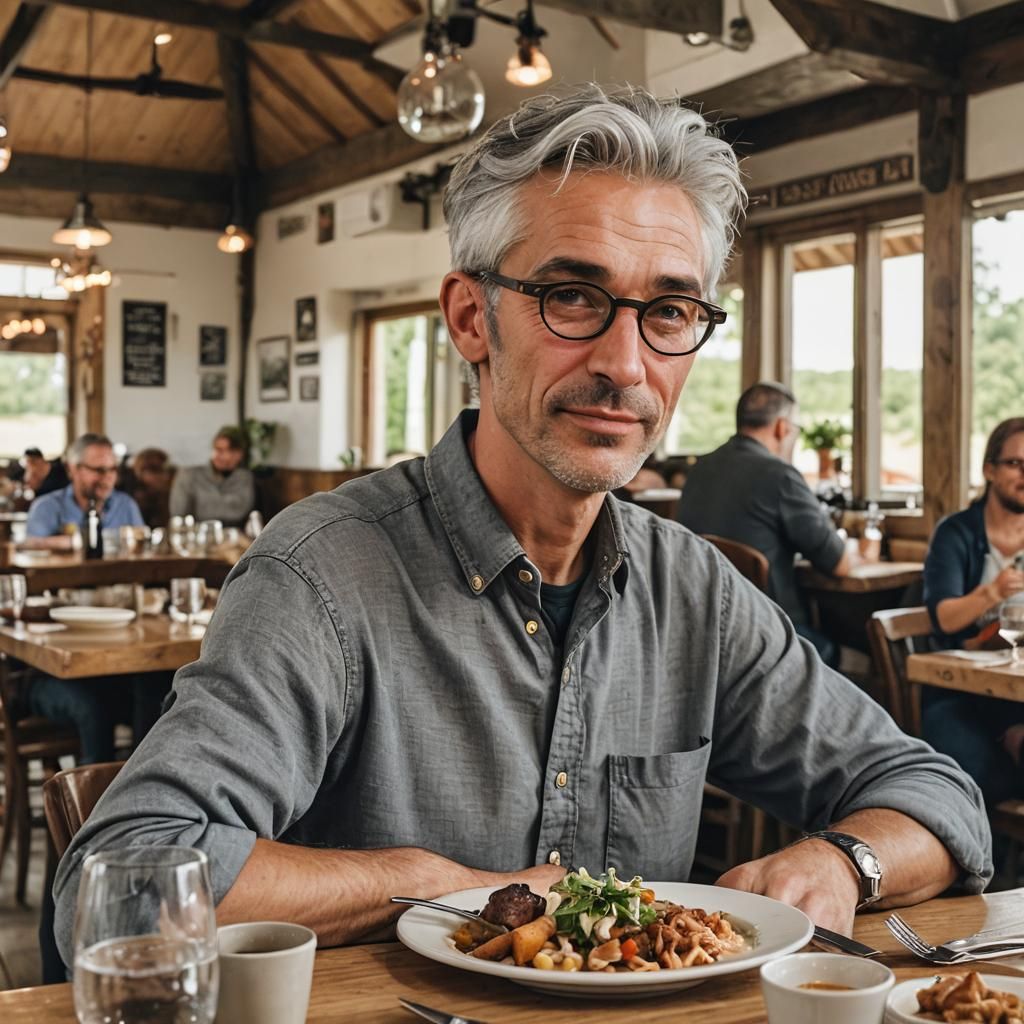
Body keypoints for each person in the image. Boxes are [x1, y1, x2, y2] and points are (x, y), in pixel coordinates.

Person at [54, 85, 990, 968]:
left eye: (668, 309)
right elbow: (119, 884)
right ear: (471, 318)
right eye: (573, 297)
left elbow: (941, 798)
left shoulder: (691, 591)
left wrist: (837, 864)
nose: (626, 364)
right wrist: (432, 887)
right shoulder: (321, 576)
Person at [675, 382, 864, 668]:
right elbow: (839, 565)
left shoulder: (701, 468)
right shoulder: (780, 476)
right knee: (863, 661)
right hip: (773, 637)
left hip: (702, 630)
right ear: (781, 428)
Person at [922, 416, 1024, 807]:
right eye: (1015, 464)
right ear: (989, 470)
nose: (1023, 475)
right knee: (971, 775)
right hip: (958, 691)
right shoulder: (956, 533)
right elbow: (944, 618)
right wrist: (992, 593)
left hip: (1016, 691)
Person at [25, 433, 143, 550]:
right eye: (99, 470)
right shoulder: (46, 507)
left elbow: (143, 552)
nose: (108, 477)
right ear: (72, 469)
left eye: (113, 469)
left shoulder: (126, 505)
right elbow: (32, 549)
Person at [169, 426, 255, 528]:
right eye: (219, 449)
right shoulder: (189, 475)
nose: (225, 456)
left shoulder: (244, 477)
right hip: (196, 535)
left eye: (231, 450)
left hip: (233, 536)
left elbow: (239, 512)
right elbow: (178, 514)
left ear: (241, 454)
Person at [126, 447, 173, 528]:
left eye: (165, 470)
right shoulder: (130, 500)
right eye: (155, 469)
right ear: (139, 471)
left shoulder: (169, 496)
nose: (162, 475)